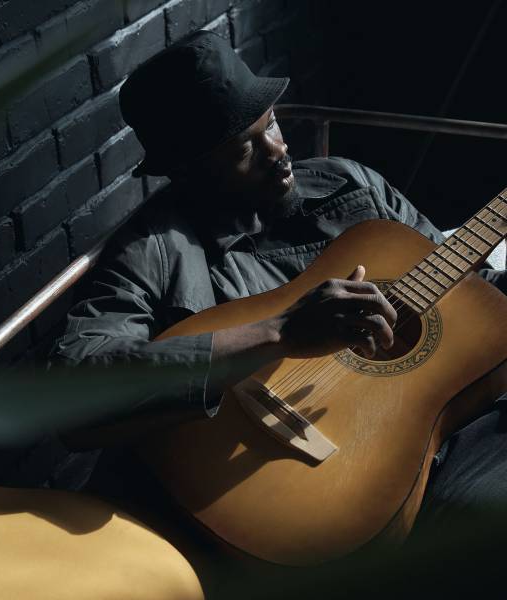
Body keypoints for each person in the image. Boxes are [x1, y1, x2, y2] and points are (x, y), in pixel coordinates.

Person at [51, 30, 507, 543]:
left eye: (271, 124)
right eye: (244, 147)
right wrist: (280, 333)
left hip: (444, 433)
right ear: (187, 169)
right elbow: (72, 387)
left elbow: (466, 285)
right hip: (298, 492)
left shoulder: (348, 181)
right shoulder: (157, 248)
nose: (278, 151)